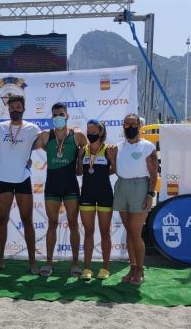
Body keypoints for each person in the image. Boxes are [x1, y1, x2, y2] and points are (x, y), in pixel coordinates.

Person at [34, 102, 87, 277]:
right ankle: (48, 263)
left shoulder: (78, 136)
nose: (58, 117)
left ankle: (75, 264)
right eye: (55, 115)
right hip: (52, 185)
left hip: (71, 184)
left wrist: (79, 159)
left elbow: (83, 164)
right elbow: (26, 146)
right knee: (52, 224)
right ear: (51, 117)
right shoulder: (44, 136)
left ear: (67, 116)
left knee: (73, 224)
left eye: (61, 114)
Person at [0, 95, 41, 274]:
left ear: (24, 109)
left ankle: (32, 263)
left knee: (27, 221)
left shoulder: (32, 129)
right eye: (12, 108)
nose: (15, 110)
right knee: (2, 220)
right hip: (3, 179)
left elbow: (43, 142)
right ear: (8, 110)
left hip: (22, 180)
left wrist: (28, 157)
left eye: (18, 107)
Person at [110, 113, 158, 285]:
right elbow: (116, 170)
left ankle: (140, 270)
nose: (130, 127)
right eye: (126, 124)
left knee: (136, 233)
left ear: (139, 125)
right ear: (123, 126)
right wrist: (111, 158)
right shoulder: (118, 147)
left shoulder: (147, 147)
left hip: (141, 187)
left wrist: (150, 194)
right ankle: (132, 267)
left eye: (133, 124)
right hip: (122, 186)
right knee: (129, 232)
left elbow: (154, 174)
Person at [78, 119, 115, 280]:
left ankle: (105, 268)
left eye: (94, 131)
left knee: (105, 232)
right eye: (88, 130)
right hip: (86, 194)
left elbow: (115, 170)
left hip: (105, 194)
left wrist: (112, 159)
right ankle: (87, 268)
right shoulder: (83, 150)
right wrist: (79, 160)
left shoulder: (108, 149)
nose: (90, 133)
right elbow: (79, 173)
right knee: (88, 232)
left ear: (100, 132)